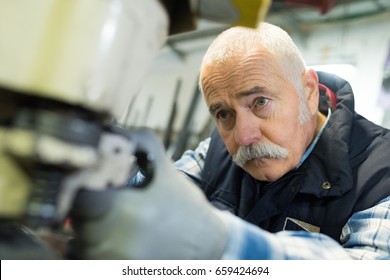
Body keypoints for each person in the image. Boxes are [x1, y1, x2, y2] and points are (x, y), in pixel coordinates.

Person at [71, 22, 390, 259]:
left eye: (260, 102)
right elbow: (164, 190)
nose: (244, 136)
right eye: (223, 113)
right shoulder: (216, 151)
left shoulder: (381, 174)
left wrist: (223, 244)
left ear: (308, 92)